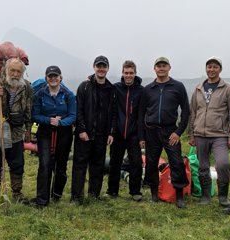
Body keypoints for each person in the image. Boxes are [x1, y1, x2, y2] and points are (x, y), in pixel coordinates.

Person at [139, 57, 189, 208]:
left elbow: (186, 111)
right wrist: (142, 136)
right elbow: (141, 114)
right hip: (151, 131)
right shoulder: (148, 89)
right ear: (154, 69)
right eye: (158, 66)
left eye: (164, 66)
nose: (161, 68)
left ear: (169, 67)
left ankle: (179, 196)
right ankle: (154, 193)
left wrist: (178, 132)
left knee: (177, 162)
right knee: (151, 162)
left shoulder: (178, 86)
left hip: (170, 131)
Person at [0, 58, 32, 205]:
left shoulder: (26, 87)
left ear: (22, 72)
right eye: (13, 70)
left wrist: (28, 129)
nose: (15, 74)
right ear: (6, 70)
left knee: (17, 163)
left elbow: (29, 109)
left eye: (18, 71)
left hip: (17, 131)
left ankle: (17, 193)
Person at [188, 57, 230, 207]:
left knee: (222, 164)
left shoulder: (228, 88)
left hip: (220, 135)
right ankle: (205, 196)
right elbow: (193, 113)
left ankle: (223, 197)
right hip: (200, 134)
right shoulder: (198, 89)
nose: (212, 69)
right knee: (202, 166)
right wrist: (191, 134)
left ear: (220, 70)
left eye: (215, 67)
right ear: (206, 69)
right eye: (209, 67)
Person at [71, 56, 117, 205]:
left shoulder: (111, 89)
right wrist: (81, 129)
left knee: (97, 166)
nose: (101, 69)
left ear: (108, 68)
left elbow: (113, 113)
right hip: (85, 134)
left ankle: (94, 195)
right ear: (94, 67)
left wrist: (111, 132)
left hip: (102, 135)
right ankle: (77, 197)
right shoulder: (84, 86)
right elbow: (78, 110)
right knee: (80, 166)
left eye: (104, 66)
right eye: (99, 66)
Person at [30, 66, 76, 207]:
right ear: (46, 78)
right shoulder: (40, 95)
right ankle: (42, 200)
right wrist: (49, 120)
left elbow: (73, 116)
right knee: (44, 164)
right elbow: (35, 115)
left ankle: (56, 195)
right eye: (50, 76)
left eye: (55, 76)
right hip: (45, 132)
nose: (53, 78)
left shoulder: (69, 95)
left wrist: (60, 122)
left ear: (60, 77)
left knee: (61, 165)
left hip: (64, 133)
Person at [106, 60, 144, 201]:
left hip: (134, 133)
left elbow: (142, 115)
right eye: (126, 73)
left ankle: (135, 192)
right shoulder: (115, 88)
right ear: (122, 73)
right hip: (118, 133)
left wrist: (141, 137)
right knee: (115, 163)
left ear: (135, 73)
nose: (128, 75)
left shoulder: (141, 90)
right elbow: (102, 86)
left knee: (136, 163)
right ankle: (112, 191)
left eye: (131, 73)